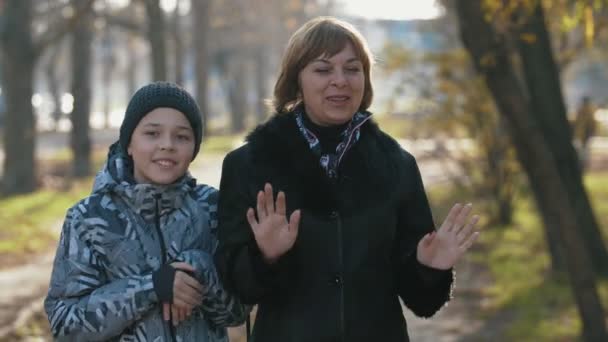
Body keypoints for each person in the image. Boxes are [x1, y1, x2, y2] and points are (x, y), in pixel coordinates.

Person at [216, 16, 480, 342]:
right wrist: (265, 257)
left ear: (365, 80)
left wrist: (430, 267)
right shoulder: (248, 165)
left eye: (352, 69)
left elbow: (422, 302)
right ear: (296, 80)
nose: (340, 81)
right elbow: (235, 289)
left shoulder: (397, 166)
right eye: (323, 69)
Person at [45, 82, 248, 341]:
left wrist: (199, 268)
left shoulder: (212, 208)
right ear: (128, 143)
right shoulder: (88, 219)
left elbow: (237, 314)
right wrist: (152, 287)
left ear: (194, 148)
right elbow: (65, 326)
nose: (167, 145)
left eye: (182, 136)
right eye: (152, 134)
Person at [573, 96, 598, 170]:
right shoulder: (589, 110)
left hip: (583, 134)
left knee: (583, 151)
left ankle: (582, 165)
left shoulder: (584, 110)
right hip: (583, 134)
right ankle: (583, 165)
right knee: (584, 151)